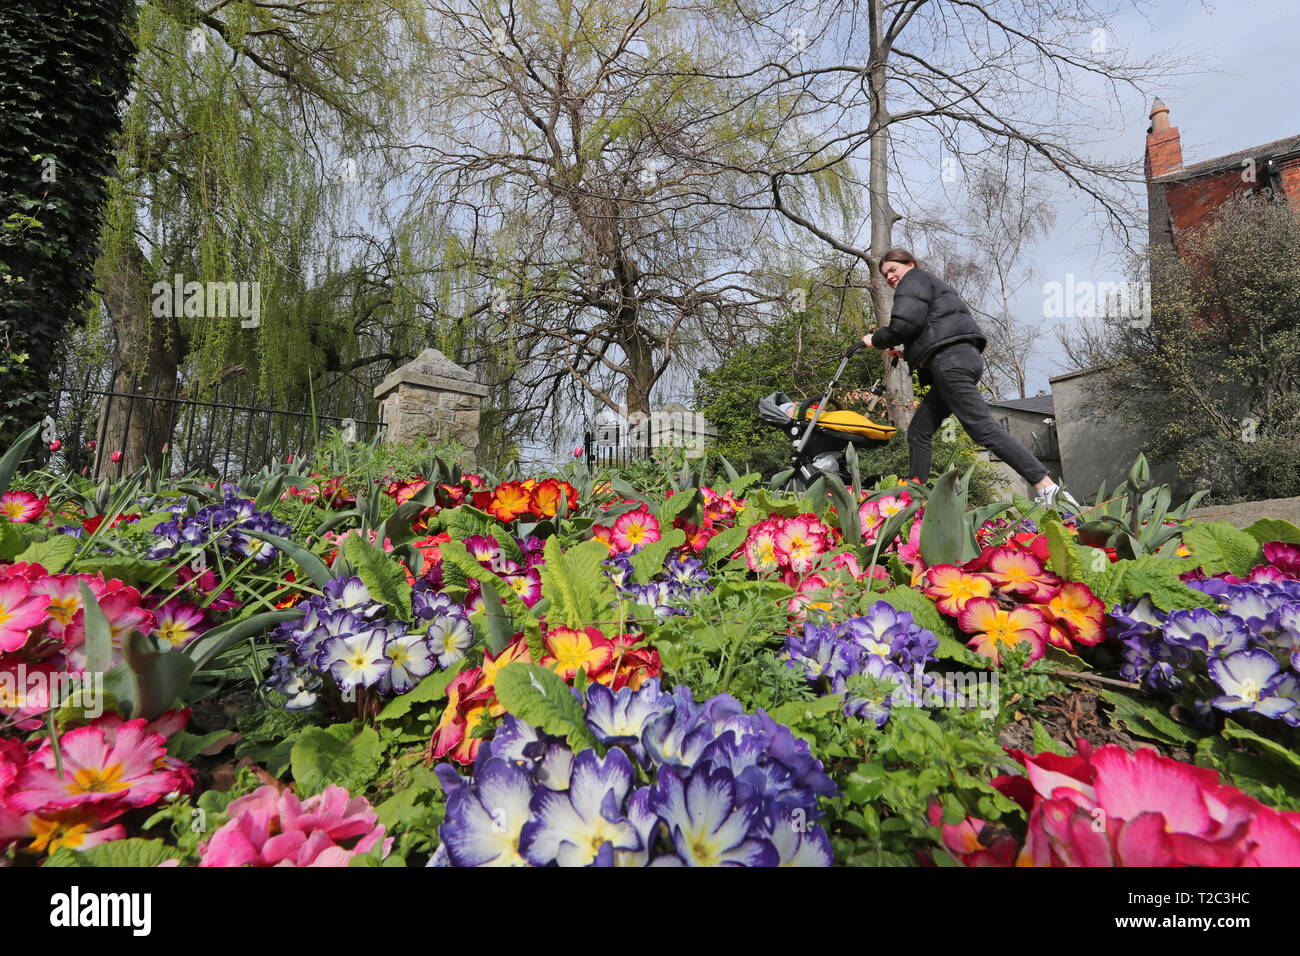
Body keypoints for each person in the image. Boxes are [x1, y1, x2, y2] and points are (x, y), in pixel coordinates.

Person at [860, 248, 1078, 510]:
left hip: (949, 362)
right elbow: (933, 330)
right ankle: (913, 497)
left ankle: (1049, 488)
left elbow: (905, 324)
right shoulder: (930, 284)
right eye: (885, 275)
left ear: (910, 264)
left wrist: (876, 339)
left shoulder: (913, 280)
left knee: (982, 428)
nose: (890, 277)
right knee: (919, 431)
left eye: (893, 269)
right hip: (957, 359)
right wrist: (905, 353)